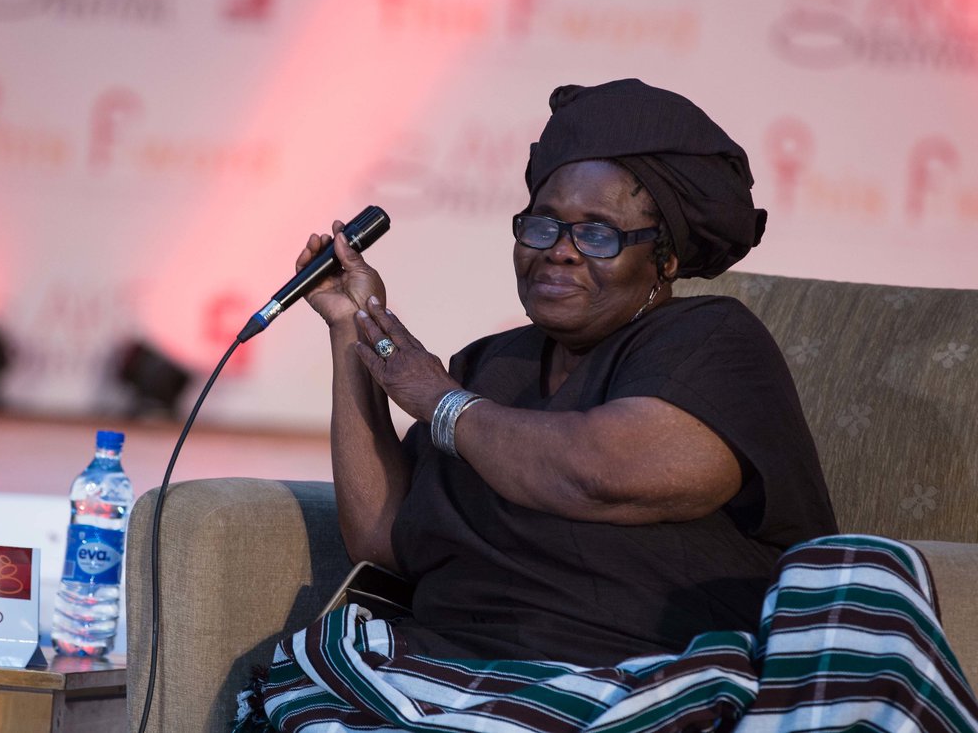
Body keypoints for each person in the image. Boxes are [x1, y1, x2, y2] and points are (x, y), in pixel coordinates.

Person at [234, 79, 978, 733]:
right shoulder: (494, 364)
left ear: (666, 258)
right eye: (543, 224)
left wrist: (442, 402)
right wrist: (351, 332)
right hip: (441, 673)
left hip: (634, 681)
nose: (558, 249)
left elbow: (600, 472)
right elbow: (383, 536)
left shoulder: (711, 338)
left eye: (597, 233)